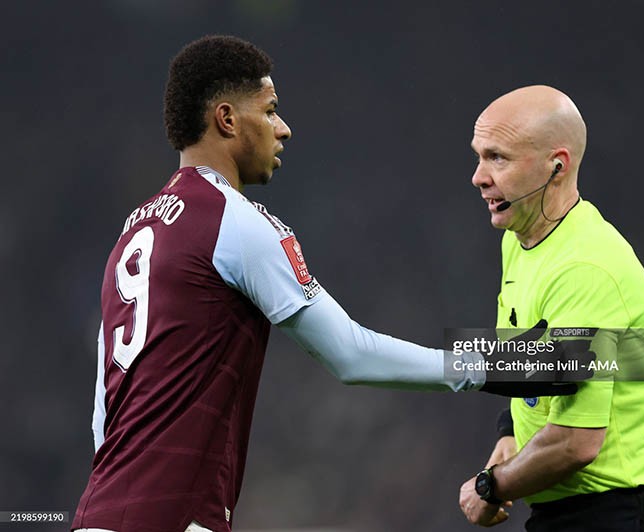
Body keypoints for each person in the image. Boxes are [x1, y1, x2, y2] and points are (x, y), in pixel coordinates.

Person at [71, 37, 577, 532]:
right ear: (226, 119)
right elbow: (350, 354)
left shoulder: (135, 228)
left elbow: (103, 414)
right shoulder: (234, 222)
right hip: (171, 518)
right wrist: (490, 367)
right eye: (269, 111)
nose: (283, 129)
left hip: (97, 513)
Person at [457, 86, 644, 531]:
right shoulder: (520, 239)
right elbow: (528, 364)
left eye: (498, 158)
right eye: (479, 156)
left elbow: (575, 443)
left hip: (624, 515)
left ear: (557, 166)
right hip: (568, 515)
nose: (478, 176)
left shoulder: (585, 268)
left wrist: (491, 486)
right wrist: (508, 437)